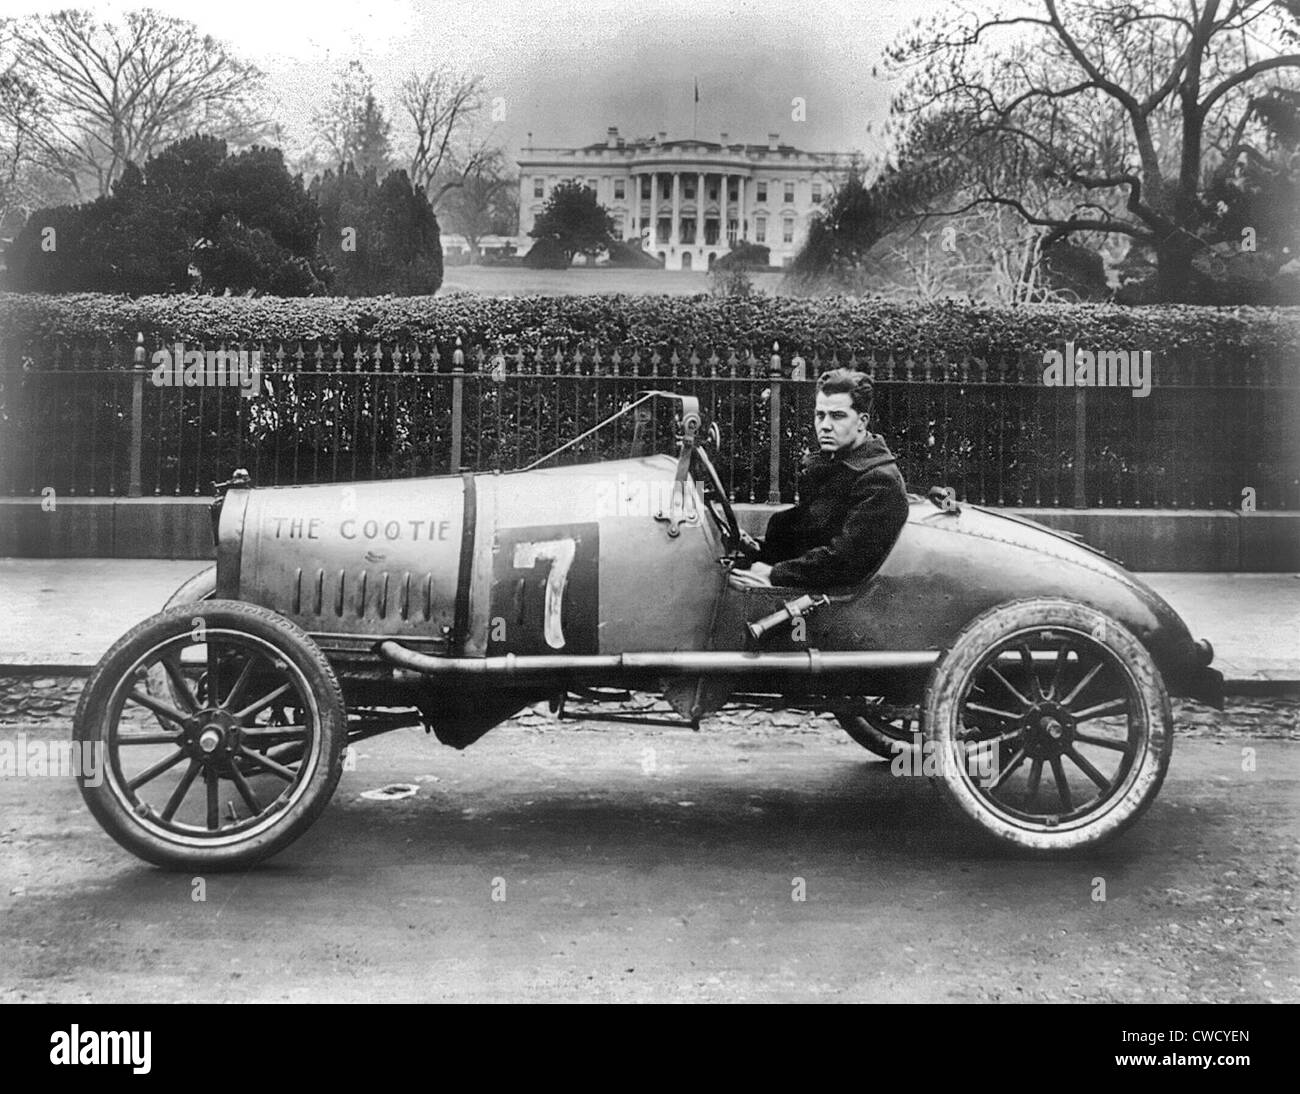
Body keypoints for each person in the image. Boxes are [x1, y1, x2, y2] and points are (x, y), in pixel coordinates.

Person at [730, 368, 909, 589]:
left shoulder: (879, 481)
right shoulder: (833, 465)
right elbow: (809, 538)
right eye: (820, 415)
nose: (825, 426)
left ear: (862, 422)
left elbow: (844, 560)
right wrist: (757, 550)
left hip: (834, 603)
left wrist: (775, 574)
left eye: (837, 416)